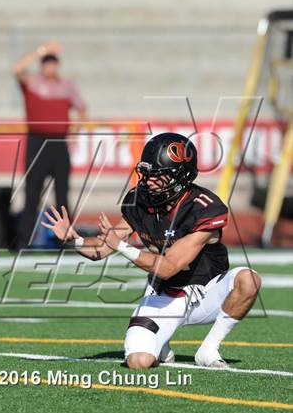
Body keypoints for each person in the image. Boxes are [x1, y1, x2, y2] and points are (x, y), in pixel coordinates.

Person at [42, 132, 261, 369]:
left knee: (248, 279)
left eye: (159, 176)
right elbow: (103, 249)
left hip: (206, 295)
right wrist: (73, 240)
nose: (148, 181)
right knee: (139, 362)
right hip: (164, 296)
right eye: (146, 174)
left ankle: (209, 348)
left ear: (180, 177)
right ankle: (161, 343)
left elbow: (168, 267)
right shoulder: (140, 201)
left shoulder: (203, 208)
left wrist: (122, 246)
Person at [12, 41, 87, 248]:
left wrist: (73, 132)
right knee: (32, 193)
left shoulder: (66, 85)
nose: (49, 67)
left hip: (58, 143)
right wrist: (42, 50)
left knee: (62, 194)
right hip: (37, 141)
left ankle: (66, 240)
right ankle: (24, 242)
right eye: (46, 63)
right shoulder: (33, 82)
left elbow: (82, 108)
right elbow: (16, 68)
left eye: (52, 62)